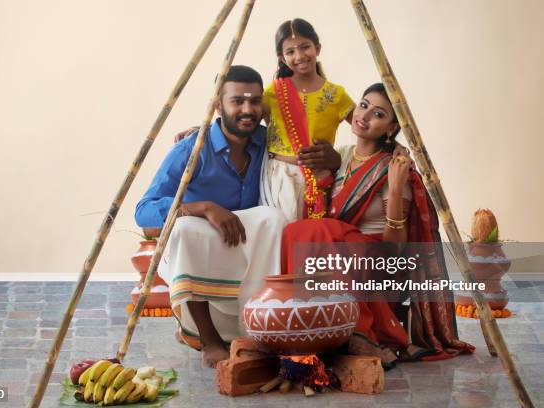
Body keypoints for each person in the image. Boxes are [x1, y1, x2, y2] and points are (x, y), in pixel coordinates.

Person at [280, 83, 474, 368]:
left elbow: (395, 245)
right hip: (337, 251)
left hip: (376, 255)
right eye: (363, 104)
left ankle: (360, 332)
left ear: (391, 128)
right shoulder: (341, 156)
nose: (366, 115)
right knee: (295, 231)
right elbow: (289, 144)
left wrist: (395, 189)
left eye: (379, 113)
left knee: (324, 230)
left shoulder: (393, 166)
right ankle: (303, 323)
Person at [135, 66, 287, 367]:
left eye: (255, 101)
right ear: (218, 105)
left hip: (244, 243)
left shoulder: (266, 140)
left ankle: (258, 325)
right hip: (197, 244)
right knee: (185, 230)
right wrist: (204, 207)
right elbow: (144, 210)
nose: (247, 109)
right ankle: (208, 338)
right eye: (237, 101)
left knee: (273, 218)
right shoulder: (191, 148)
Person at [260, 18, 356, 221]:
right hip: (279, 179)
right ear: (282, 58)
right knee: (281, 240)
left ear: (317, 48)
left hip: (320, 180)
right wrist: (202, 130)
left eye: (305, 47)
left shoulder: (336, 94)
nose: (300, 56)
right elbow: (245, 121)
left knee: (310, 244)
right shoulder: (273, 92)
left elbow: (366, 125)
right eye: (290, 52)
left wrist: (392, 145)